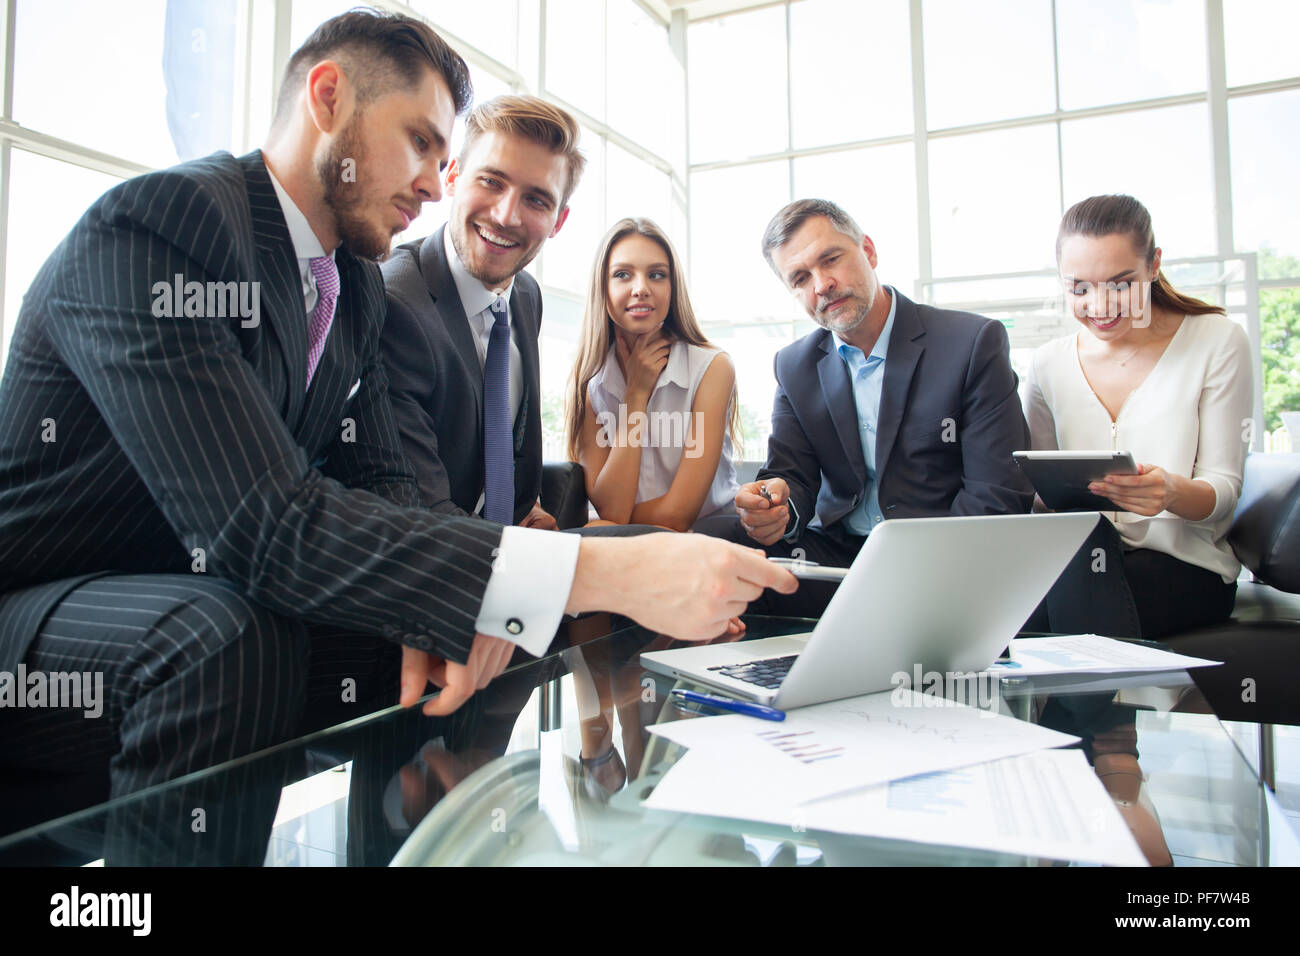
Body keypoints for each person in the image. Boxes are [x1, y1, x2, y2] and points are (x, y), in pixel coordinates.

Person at [0, 10, 795, 817]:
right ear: (328, 97)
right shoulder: (165, 225)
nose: (432, 181)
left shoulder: (349, 289)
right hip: (49, 615)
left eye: (443, 157)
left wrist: (471, 598)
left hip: (210, 598)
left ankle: (423, 827)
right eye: (421, 143)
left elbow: (389, 490)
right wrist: (604, 572)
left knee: (409, 621)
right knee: (226, 640)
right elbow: (268, 523)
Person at [696, 198, 1033, 617]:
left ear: (868, 251)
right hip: (840, 561)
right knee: (711, 540)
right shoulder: (794, 365)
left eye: (830, 259)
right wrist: (776, 505)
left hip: (941, 562)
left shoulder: (970, 343)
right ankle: (744, 672)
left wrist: (923, 571)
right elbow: (791, 475)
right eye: (800, 278)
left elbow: (996, 494)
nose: (821, 285)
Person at [1020, 194, 1252, 639]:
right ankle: (1091, 706)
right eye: (1079, 288)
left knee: (1039, 619)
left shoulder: (1216, 341)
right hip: (1080, 557)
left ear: (1154, 265)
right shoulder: (1049, 363)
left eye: (1121, 283)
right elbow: (1038, 495)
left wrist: (1169, 492)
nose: (1100, 305)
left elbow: (1223, 491)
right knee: (1074, 557)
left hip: (1183, 567)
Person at [381, 95, 581, 528]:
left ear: (558, 221)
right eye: (491, 181)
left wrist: (527, 511)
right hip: (432, 563)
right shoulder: (395, 304)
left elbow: (509, 444)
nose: (506, 215)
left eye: (537, 200)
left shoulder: (525, 294)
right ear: (453, 176)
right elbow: (421, 513)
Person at [565, 217, 740, 532]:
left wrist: (606, 525)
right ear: (603, 289)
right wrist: (636, 396)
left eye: (657, 275)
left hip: (710, 541)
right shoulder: (592, 384)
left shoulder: (712, 368)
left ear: (672, 288)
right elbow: (611, 509)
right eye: (622, 275)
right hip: (633, 547)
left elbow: (676, 516)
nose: (641, 289)